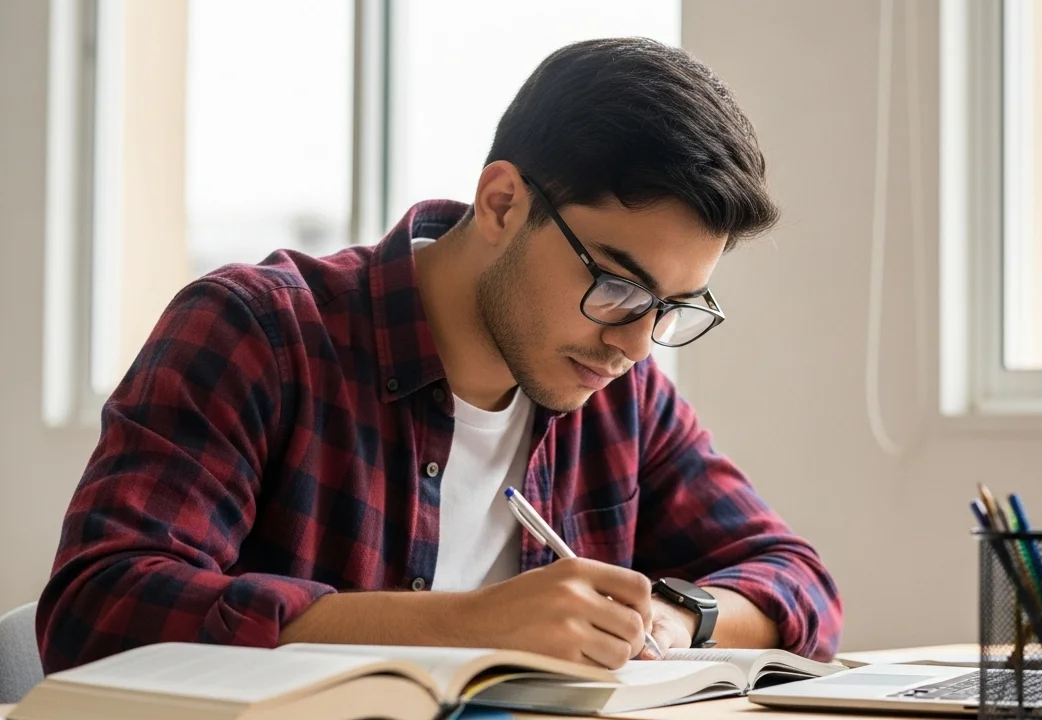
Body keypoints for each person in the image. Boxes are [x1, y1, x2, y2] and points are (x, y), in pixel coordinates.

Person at [37, 37, 842, 673]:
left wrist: (669, 620)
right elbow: (97, 611)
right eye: (619, 285)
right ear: (502, 203)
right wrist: (462, 627)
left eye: (671, 307)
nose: (635, 342)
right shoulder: (257, 333)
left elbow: (797, 584)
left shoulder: (619, 395)